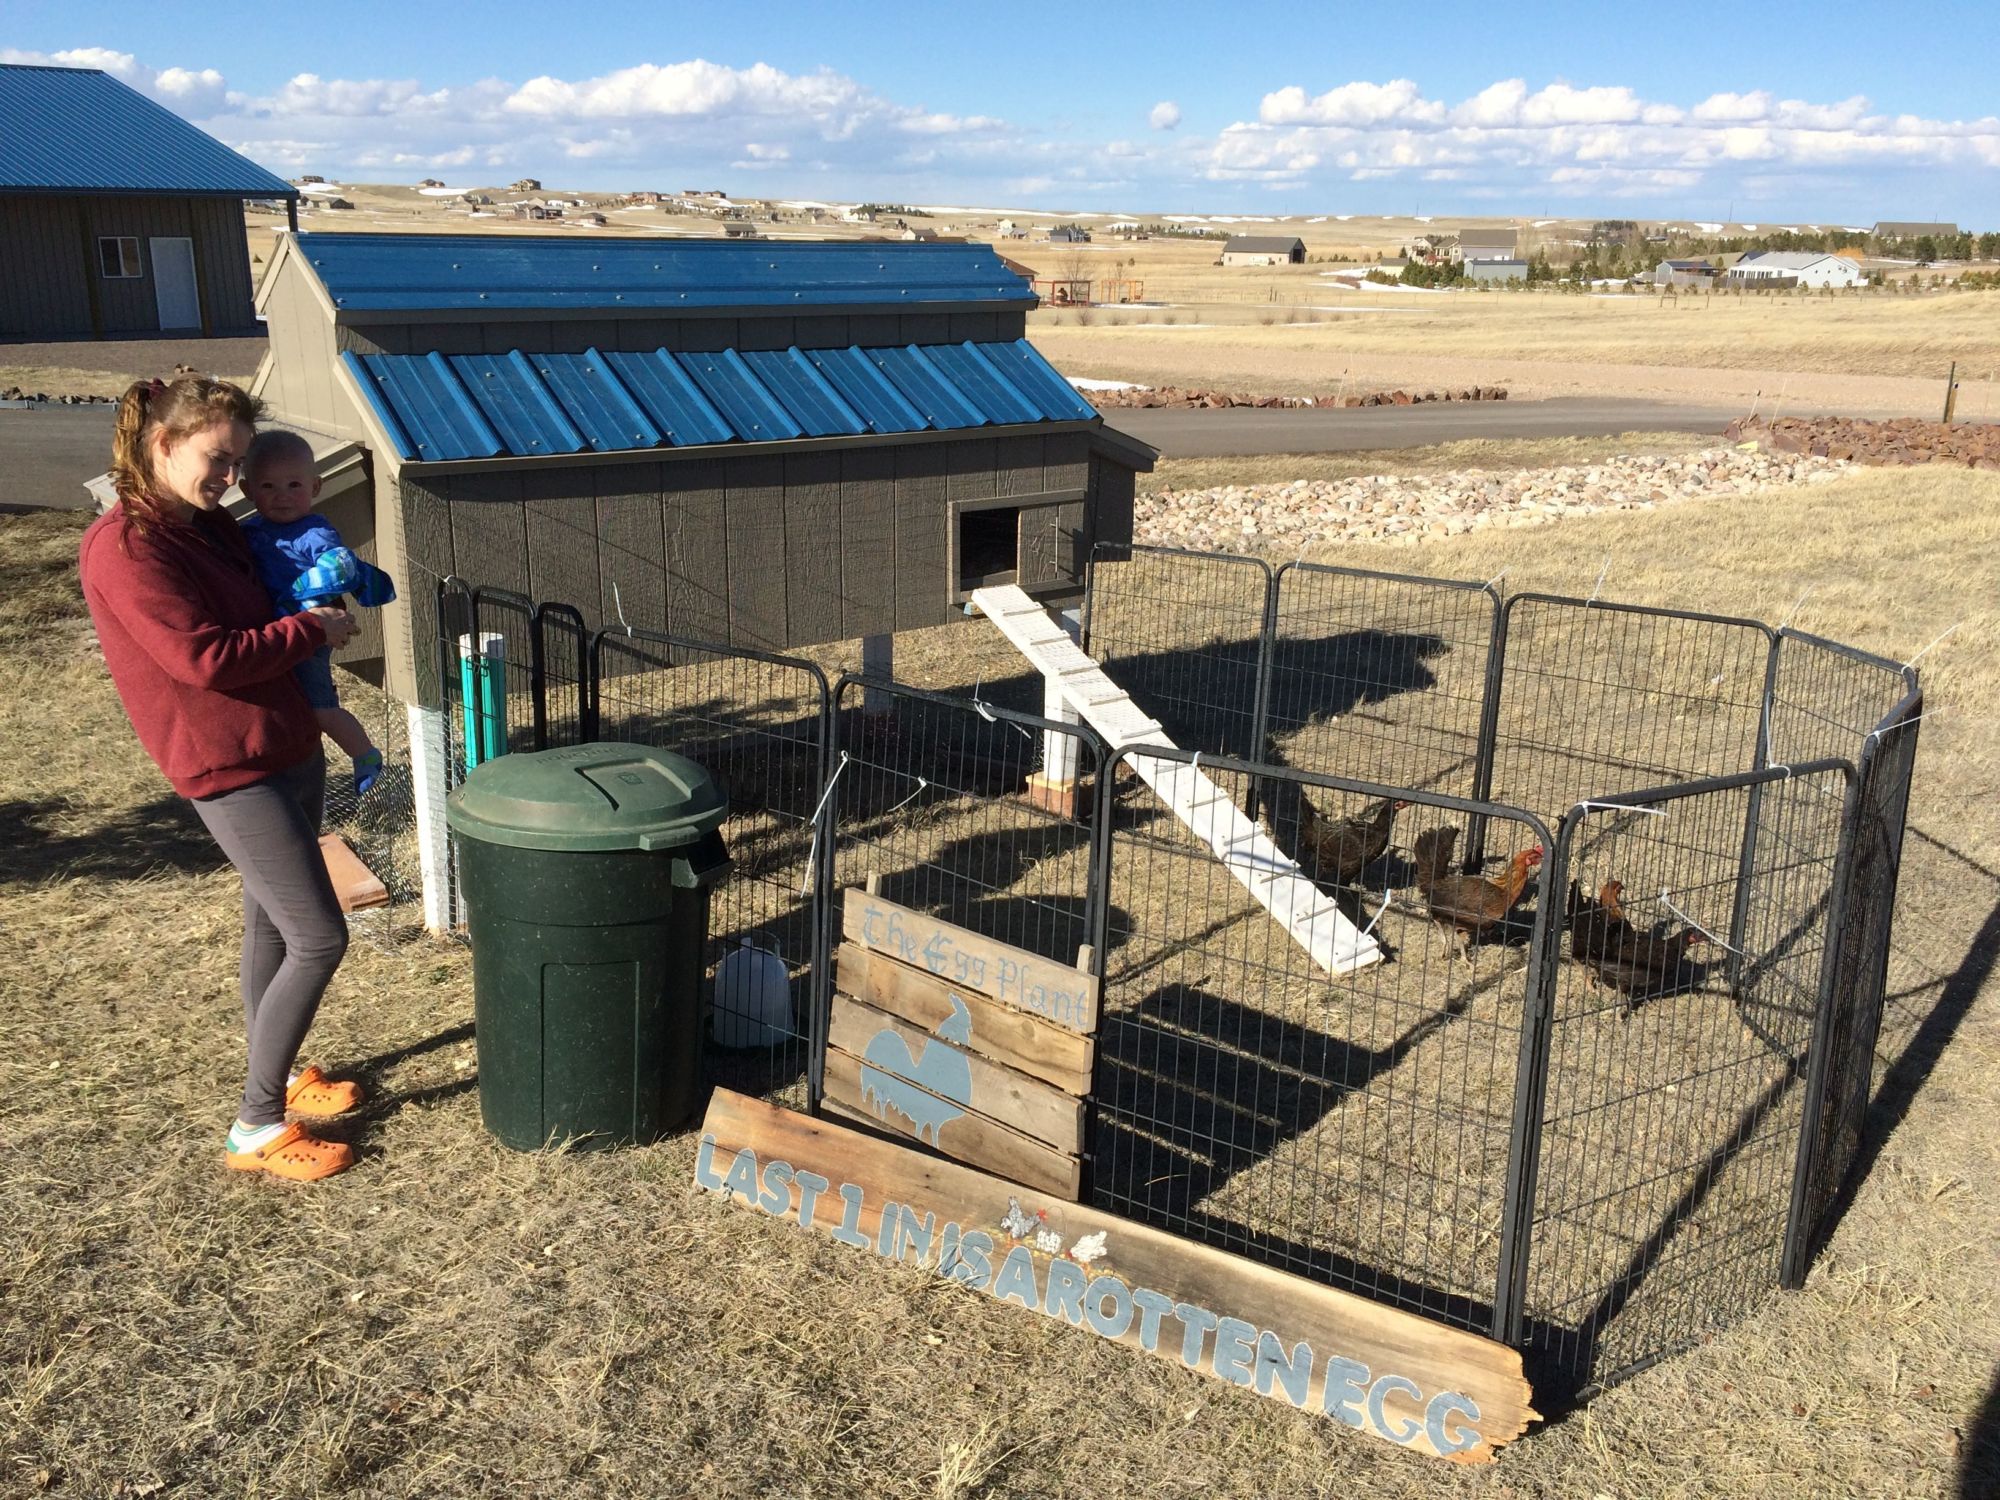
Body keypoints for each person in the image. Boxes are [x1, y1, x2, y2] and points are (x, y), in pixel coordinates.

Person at [78, 375, 365, 1182]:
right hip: (226, 763)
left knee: (269, 924)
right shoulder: (126, 547)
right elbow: (200, 658)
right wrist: (309, 629)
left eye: (240, 460)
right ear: (163, 444)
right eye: (218, 458)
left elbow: (264, 599)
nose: (232, 477)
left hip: (283, 738)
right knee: (319, 936)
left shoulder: (206, 526)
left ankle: (282, 1071)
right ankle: (256, 1124)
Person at [238, 429, 396, 797]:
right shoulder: (250, 531)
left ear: (316, 486)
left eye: (294, 485)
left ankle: (365, 754)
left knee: (318, 707)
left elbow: (337, 570)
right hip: (279, 632)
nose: (282, 495)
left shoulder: (314, 533)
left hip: (311, 631)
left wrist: (303, 599)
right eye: (268, 486)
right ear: (247, 491)